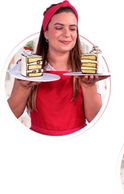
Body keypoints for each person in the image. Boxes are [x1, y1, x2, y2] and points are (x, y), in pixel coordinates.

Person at [8, 0, 102, 136]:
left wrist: (88, 87)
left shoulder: (88, 69)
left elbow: (95, 120)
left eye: (72, 28)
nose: (67, 34)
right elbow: (11, 115)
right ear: (46, 33)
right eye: (59, 27)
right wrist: (24, 87)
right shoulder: (26, 68)